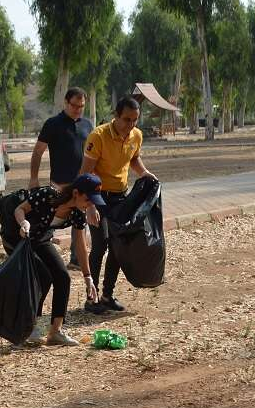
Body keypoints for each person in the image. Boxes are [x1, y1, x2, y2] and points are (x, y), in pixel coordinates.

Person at [80, 96, 157, 314]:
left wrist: (144, 173)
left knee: (118, 247)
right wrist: (90, 206)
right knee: (100, 245)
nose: (130, 125)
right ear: (116, 116)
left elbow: (134, 158)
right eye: (126, 119)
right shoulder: (98, 136)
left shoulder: (136, 135)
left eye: (135, 120)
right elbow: (85, 173)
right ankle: (91, 298)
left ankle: (107, 295)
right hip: (97, 196)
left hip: (120, 197)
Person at [12, 174, 105, 346]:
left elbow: (80, 244)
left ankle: (56, 332)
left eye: (93, 202)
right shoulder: (47, 195)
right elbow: (19, 209)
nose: (90, 205)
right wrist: (23, 223)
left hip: (40, 240)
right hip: (20, 237)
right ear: (76, 193)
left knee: (63, 276)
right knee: (44, 276)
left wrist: (88, 277)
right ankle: (30, 327)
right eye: (88, 200)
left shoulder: (77, 214)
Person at [29, 87, 94, 271]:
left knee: (79, 223)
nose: (78, 109)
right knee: (48, 220)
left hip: (80, 186)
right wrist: (34, 178)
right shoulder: (53, 124)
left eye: (81, 106)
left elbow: (93, 155)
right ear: (66, 102)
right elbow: (38, 151)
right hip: (58, 185)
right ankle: (37, 255)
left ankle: (75, 260)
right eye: (75, 105)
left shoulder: (88, 125)